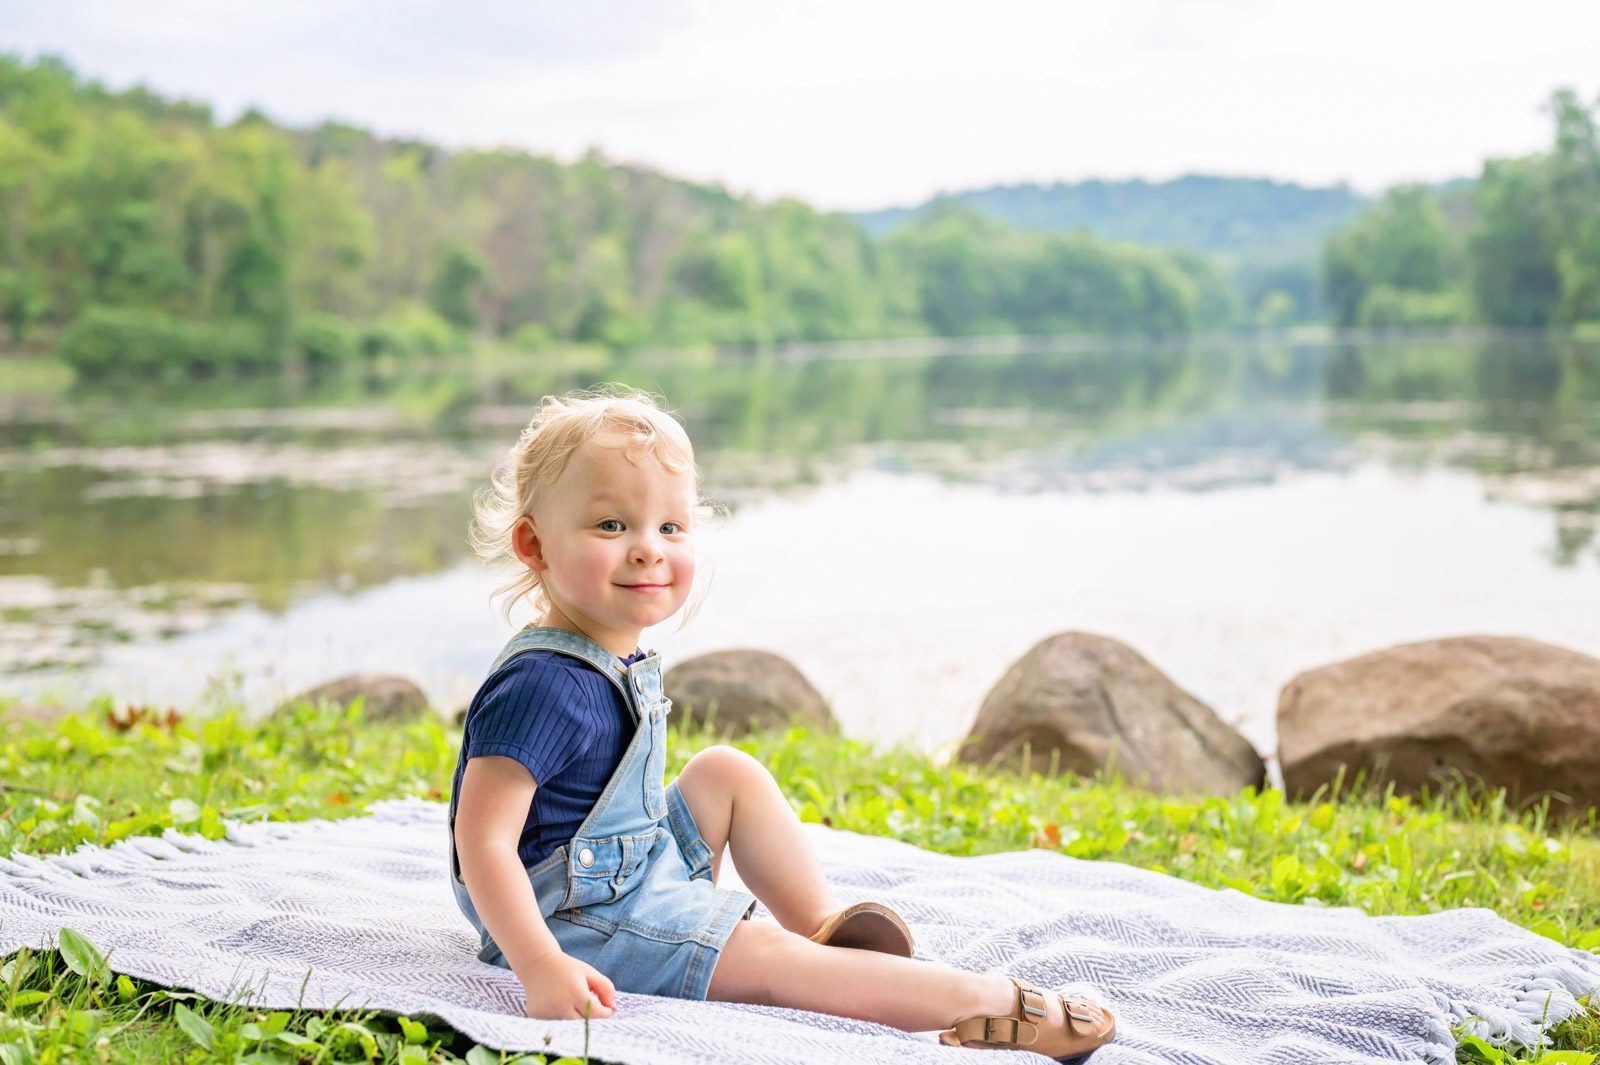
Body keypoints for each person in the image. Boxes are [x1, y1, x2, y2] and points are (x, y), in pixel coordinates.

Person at [449, 388, 1116, 1059]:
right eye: (612, 526)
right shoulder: (540, 685)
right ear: (535, 544)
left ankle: (821, 926)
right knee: (768, 959)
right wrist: (539, 964)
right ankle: (990, 1003)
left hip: (632, 868)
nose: (649, 550)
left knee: (723, 771)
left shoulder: (611, 651)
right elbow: (482, 842)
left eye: (670, 528)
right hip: (573, 922)